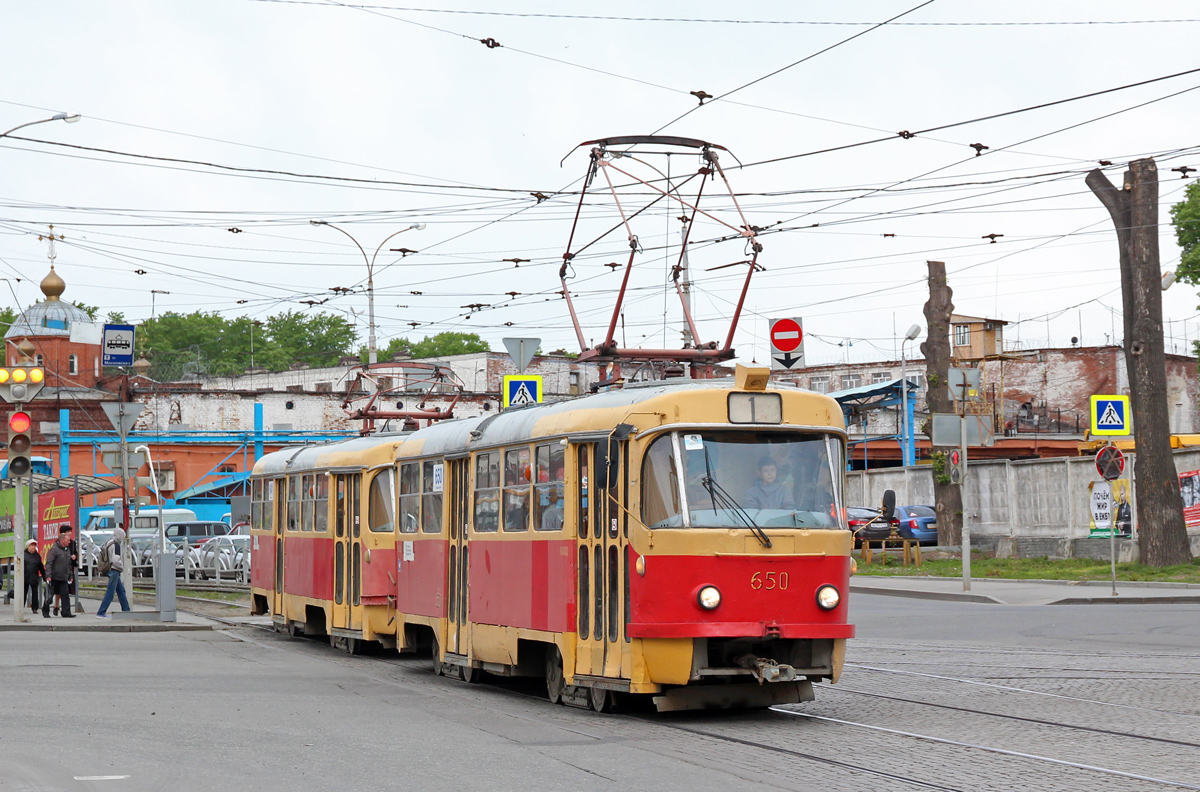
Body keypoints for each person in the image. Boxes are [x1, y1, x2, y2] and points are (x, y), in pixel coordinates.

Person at [96, 527, 131, 619]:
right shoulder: (116, 545)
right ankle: (101, 612)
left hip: (109, 569)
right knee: (110, 592)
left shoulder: (109, 542)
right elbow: (116, 560)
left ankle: (126, 611)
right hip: (114, 570)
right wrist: (122, 567)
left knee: (121, 591)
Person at [45, 527, 75, 618]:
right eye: (67, 540)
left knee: (65, 595)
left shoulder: (67, 550)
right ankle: (45, 611)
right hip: (54, 576)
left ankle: (66, 612)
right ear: (62, 540)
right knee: (49, 595)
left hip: (63, 577)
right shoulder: (54, 549)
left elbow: (69, 564)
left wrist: (70, 575)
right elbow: (49, 563)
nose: (69, 542)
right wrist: (48, 575)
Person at [22, 539, 45, 614]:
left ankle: (35, 608)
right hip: (25, 577)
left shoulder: (37, 556)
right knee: (23, 593)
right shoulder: (23, 555)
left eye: (34, 545)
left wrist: (44, 576)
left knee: (35, 593)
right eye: (31, 545)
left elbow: (41, 566)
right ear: (28, 547)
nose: (33, 547)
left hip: (34, 577)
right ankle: (21, 607)